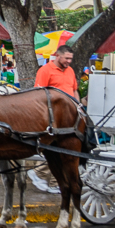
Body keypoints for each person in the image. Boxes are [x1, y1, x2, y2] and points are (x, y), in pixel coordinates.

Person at [28, 45, 78, 194]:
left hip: (69, 116)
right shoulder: (45, 70)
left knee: (67, 148)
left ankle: (58, 182)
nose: (69, 61)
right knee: (55, 147)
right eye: (67, 58)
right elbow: (39, 93)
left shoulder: (70, 71)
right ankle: (39, 173)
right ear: (58, 56)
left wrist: (78, 106)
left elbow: (74, 89)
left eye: (71, 59)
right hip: (53, 117)